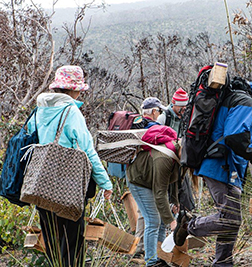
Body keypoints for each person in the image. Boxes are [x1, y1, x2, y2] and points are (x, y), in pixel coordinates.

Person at [174, 62, 252, 267]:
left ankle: (222, 263)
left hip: (223, 165)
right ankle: (189, 224)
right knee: (230, 219)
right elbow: (234, 137)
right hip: (220, 165)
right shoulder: (246, 101)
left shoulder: (236, 95)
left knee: (230, 218)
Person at [26, 65, 113, 267]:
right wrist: (105, 182)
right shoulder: (71, 111)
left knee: (51, 239)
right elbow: (88, 150)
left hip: (41, 183)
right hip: (67, 186)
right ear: (76, 89)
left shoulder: (40, 110)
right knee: (72, 241)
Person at [126, 126, 180, 267]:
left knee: (162, 220)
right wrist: (172, 222)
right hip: (139, 180)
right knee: (153, 220)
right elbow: (159, 193)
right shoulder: (164, 158)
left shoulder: (182, 156)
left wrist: (175, 201)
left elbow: (174, 179)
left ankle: (160, 257)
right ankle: (151, 261)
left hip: (152, 179)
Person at [130, 96, 167, 258]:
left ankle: (139, 248)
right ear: (153, 111)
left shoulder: (136, 124)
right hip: (147, 176)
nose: (159, 114)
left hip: (134, 175)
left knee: (143, 213)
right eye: (159, 111)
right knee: (154, 219)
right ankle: (153, 256)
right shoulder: (154, 128)